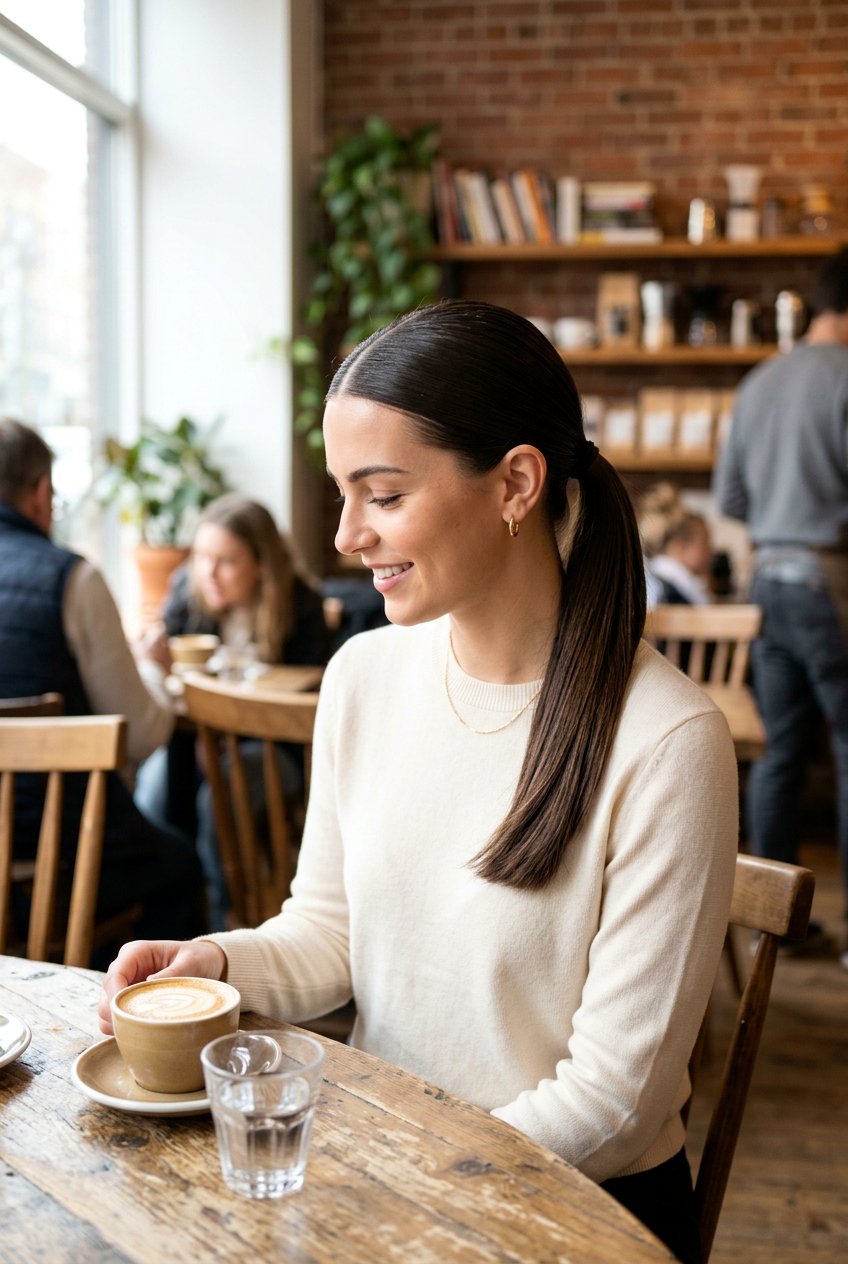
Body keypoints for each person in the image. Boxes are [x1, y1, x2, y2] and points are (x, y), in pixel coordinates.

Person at [100, 302, 737, 1263]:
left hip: (573, 1210)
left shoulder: (669, 739)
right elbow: (330, 933)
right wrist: (220, 964)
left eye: (384, 495)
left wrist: (408, 1190)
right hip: (397, 1177)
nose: (350, 535)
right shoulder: (364, 675)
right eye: (342, 495)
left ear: (517, 482)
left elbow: (614, 1100)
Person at [0, 417, 204, 958]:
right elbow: (141, 735)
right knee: (181, 866)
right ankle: (140, 1013)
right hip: (55, 857)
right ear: (41, 492)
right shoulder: (71, 579)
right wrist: (154, 669)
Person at [714, 247, 848, 965]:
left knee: (780, 753)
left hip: (766, 581)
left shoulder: (759, 381)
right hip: (831, 581)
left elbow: (732, 499)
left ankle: (776, 930)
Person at [134, 494, 331, 928]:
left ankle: (227, 917)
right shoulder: (187, 591)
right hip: (196, 741)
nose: (208, 573)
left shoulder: (299, 605)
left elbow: (312, 699)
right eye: (202, 556)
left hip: (273, 748)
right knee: (151, 794)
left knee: (219, 794)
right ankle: (180, 910)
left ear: (260, 564)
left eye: (226, 561)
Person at [638, 481, 713, 607]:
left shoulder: (654, 579)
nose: (710, 550)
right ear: (680, 546)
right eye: (705, 542)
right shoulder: (669, 592)